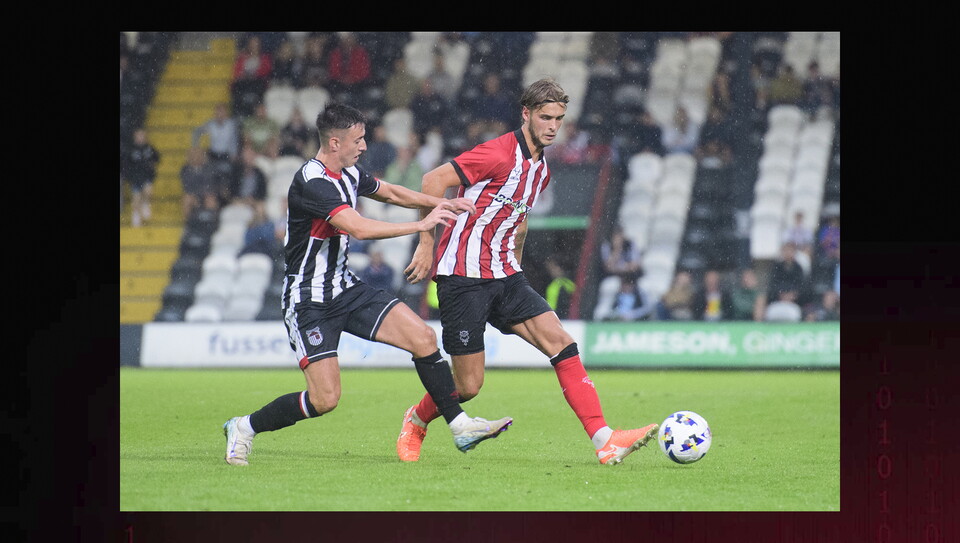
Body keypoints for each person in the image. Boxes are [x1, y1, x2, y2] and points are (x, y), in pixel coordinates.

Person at [222, 103, 512, 466]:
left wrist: (441, 201)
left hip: (346, 288)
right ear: (333, 142)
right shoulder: (312, 182)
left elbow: (391, 193)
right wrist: (421, 226)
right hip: (309, 301)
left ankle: (460, 426)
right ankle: (244, 427)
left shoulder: (349, 173)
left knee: (423, 339)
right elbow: (357, 227)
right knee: (324, 400)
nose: (363, 146)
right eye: (357, 140)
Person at [399, 78, 660, 466]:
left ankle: (605, 440)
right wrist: (425, 243)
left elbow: (518, 222)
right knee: (468, 386)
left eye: (559, 118)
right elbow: (432, 181)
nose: (553, 126)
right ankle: (417, 419)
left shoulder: (541, 170)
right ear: (526, 114)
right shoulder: (497, 152)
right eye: (545, 117)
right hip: (463, 277)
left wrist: (515, 265)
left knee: (562, 343)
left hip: (506, 276)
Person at [192, 102, 241, 190]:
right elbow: (196, 132)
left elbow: (235, 140)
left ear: (226, 113)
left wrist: (234, 153)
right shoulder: (211, 124)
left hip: (226, 155)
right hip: (213, 154)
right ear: (215, 114)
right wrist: (196, 147)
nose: (220, 115)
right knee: (208, 171)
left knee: (230, 173)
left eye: (222, 112)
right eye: (218, 112)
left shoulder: (231, 125)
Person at [122, 127, 161, 227]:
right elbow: (126, 164)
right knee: (136, 197)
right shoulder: (130, 149)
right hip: (135, 177)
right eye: (138, 135)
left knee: (148, 192)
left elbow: (157, 158)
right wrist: (128, 176)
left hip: (147, 175)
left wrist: (152, 165)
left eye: (142, 135)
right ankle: (135, 217)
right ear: (135, 137)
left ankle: (146, 205)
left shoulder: (149, 148)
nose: (140, 138)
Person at [231, 35, 273, 117]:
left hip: (257, 83)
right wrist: (244, 75)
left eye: (256, 43)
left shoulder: (264, 58)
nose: (254, 45)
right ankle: (239, 115)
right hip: (245, 83)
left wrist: (254, 74)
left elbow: (266, 70)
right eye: (252, 43)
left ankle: (257, 112)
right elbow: (237, 72)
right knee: (236, 89)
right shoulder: (242, 57)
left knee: (257, 89)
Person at [226, 145, 269, 217]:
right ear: (243, 157)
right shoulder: (236, 173)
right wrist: (242, 200)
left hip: (254, 202)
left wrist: (253, 201)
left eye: (251, 155)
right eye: (247, 155)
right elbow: (231, 191)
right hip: (238, 201)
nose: (249, 158)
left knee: (261, 209)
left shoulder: (260, 174)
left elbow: (262, 193)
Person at [179, 146, 220, 219]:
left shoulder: (209, 168)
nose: (196, 157)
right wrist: (195, 197)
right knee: (187, 199)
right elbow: (187, 186)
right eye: (193, 155)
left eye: (198, 155)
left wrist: (201, 196)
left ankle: (212, 222)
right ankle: (189, 223)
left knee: (211, 200)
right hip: (193, 194)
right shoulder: (185, 170)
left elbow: (209, 184)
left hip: (206, 194)